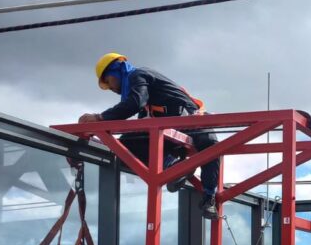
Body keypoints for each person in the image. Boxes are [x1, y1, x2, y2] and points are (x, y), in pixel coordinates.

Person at [78, 52, 220, 219]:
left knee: (210, 145)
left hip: (190, 120)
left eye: (109, 81)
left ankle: (208, 198)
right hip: (170, 130)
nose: (111, 88)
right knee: (129, 142)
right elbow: (139, 117)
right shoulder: (140, 89)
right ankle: (172, 166)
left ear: (117, 71)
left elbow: (134, 103)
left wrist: (99, 118)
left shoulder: (138, 76)